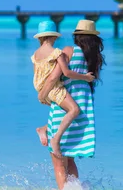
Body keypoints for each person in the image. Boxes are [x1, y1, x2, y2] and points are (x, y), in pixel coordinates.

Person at [36, 19, 105, 189]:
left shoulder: (68, 51)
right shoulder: (94, 59)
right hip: (81, 111)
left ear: (77, 36)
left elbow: (54, 77)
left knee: (59, 161)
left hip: (63, 107)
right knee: (70, 158)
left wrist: (42, 94)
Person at [31, 20, 95, 158]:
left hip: (40, 87)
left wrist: (41, 93)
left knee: (64, 109)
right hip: (53, 88)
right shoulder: (57, 53)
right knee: (74, 110)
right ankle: (55, 140)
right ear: (54, 36)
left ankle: (44, 129)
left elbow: (36, 73)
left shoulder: (36, 54)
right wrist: (85, 77)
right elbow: (65, 73)